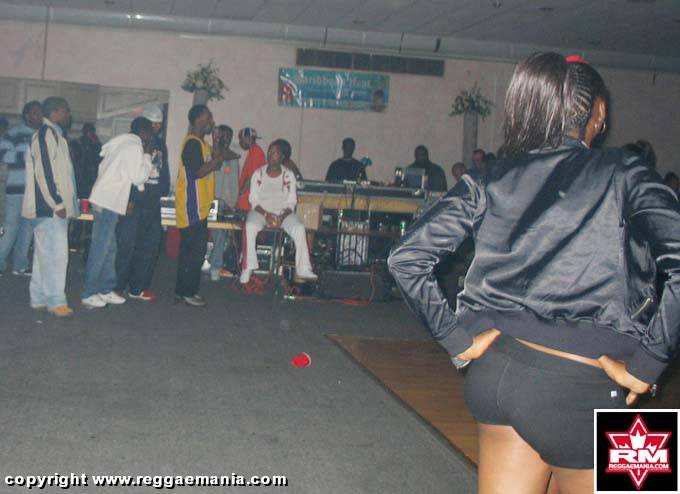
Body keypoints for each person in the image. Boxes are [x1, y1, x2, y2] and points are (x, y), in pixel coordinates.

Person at [389, 52, 678, 493]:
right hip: (585, 386)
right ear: (598, 110)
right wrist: (649, 363)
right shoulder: (625, 172)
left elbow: (405, 257)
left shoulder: (491, 175)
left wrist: (456, 340)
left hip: (495, 376)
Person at [81, 117, 153, 309]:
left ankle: (105, 289)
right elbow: (138, 178)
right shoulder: (134, 147)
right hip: (109, 202)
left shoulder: (121, 143)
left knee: (110, 248)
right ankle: (89, 292)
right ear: (144, 133)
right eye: (150, 133)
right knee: (101, 249)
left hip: (105, 199)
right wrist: (147, 157)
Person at [22, 97, 78, 317]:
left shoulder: (53, 134)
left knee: (43, 255)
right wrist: (58, 203)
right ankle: (55, 302)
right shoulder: (47, 134)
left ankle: (38, 297)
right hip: (49, 208)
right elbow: (44, 173)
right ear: (55, 112)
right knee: (56, 256)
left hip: (48, 207)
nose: (68, 115)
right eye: (66, 111)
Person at [240, 141, 317, 285]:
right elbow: (253, 200)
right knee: (250, 226)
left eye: (274, 152)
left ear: (282, 157)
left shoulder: (288, 175)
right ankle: (248, 267)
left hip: (283, 213)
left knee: (299, 228)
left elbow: (292, 201)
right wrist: (266, 215)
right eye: (269, 152)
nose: (270, 155)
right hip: (261, 212)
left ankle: (303, 268)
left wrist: (281, 216)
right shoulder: (258, 173)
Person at [114, 105, 170, 300]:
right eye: (153, 123)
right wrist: (129, 198)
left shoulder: (160, 144)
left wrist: (163, 192)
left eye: (159, 124)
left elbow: (163, 170)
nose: (156, 127)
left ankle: (138, 287)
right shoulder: (133, 143)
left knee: (149, 246)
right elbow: (128, 173)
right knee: (126, 246)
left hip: (152, 203)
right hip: (134, 202)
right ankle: (117, 286)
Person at [175, 105, 224, 307]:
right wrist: (216, 160)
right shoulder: (192, 144)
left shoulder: (202, 144)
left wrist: (217, 143)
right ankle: (186, 292)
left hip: (200, 206)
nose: (212, 121)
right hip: (191, 206)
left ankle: (183, 291)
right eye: (208, 117)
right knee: (193, 253)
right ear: (198, 120)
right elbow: (198, 172)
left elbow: (216, 164)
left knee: (194, 251)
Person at [0, 102, 43, 276]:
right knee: (10, 227)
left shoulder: (42, 134)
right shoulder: (13, 133)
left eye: (41, 113)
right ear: (27, 115)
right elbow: (4, 155)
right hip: (16, 188)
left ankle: (20, 264)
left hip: (35, 191)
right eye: (36, 113)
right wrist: (29, 155)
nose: (39, 116)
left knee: (27, 229)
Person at [208, 124, 240, 281]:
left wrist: (233, 204)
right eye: (224, 135)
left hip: (227, 204)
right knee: (219, 233)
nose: (226, 138)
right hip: (211, 202)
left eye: (229, 135)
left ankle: (215, 264)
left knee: (221, 233)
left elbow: (235, 183)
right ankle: (215, 265)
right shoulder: (211, 153)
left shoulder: (233, 157)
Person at [68, 122, 102, 253]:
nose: (89, 134)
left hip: (89, 184)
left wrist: (96, 145)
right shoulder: (77, 144)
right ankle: (75, 241)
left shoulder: (96, 145)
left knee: (88, 215)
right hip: (80, 183)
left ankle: (85, 242)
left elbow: (99, 162)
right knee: (78, 213)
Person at [235, 127, 266, 212]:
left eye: (241, 139)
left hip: (247, 198)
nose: (240, 142)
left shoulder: (256, 152)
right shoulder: (253, 150)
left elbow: (253, 176)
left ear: (247, 138)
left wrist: (240, 193)